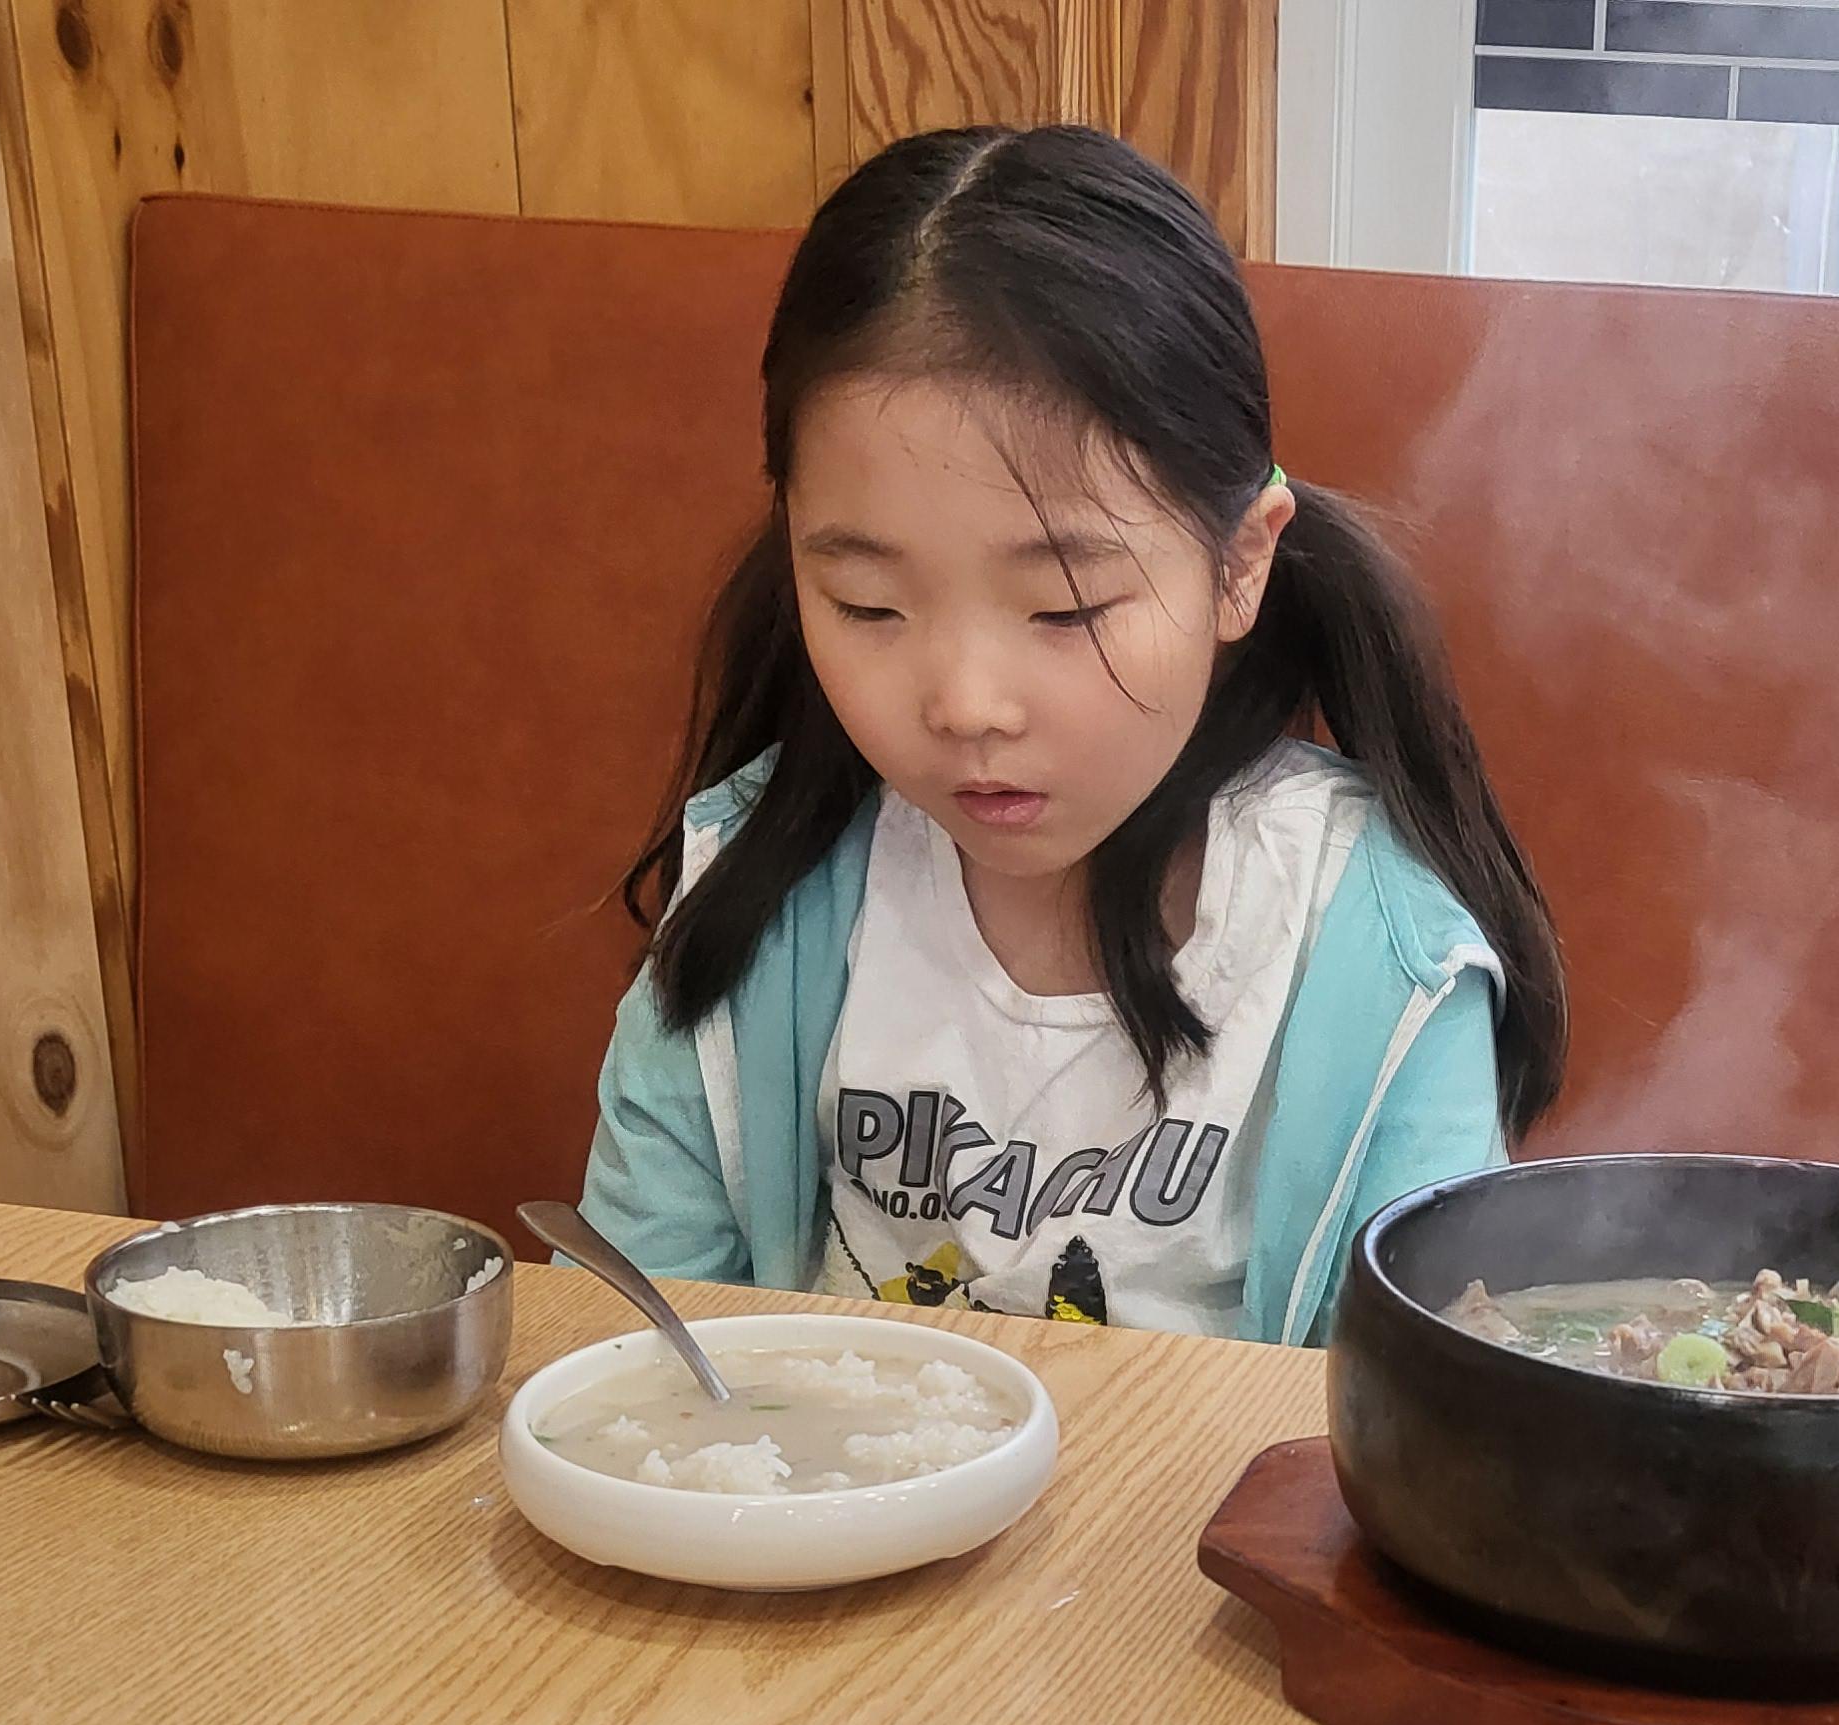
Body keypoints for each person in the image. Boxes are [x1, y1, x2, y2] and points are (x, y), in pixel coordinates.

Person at [582, 124, 1564, 1341]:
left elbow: (1409, 1425)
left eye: (1065, 608)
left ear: (1236, 565)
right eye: (868, 606)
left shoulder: (1377, 959)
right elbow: (637, 1352)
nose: (966, 705)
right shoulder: (762, 898)